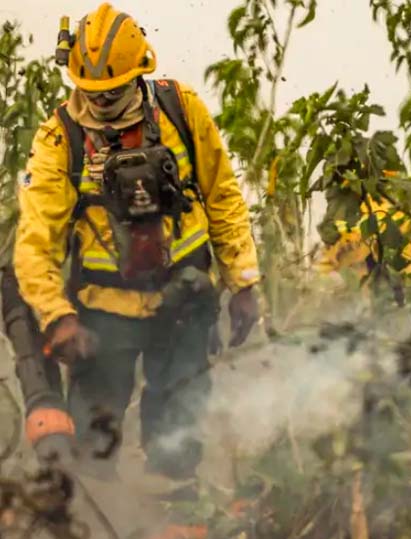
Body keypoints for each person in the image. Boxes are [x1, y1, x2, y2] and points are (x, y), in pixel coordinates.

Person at [13, 3, 261, 481]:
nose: (101, 103)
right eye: (91, 92)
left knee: (178, 442)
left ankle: (180, 516)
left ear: (140, 74)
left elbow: (223, 196)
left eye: (112, 92)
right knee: (93, 450)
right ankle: (104, 522)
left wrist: (244, 281)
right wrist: (57, 316)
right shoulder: (59, 138)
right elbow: (35, 242)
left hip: (184, 301)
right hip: (103, 314)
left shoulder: (180, 109)